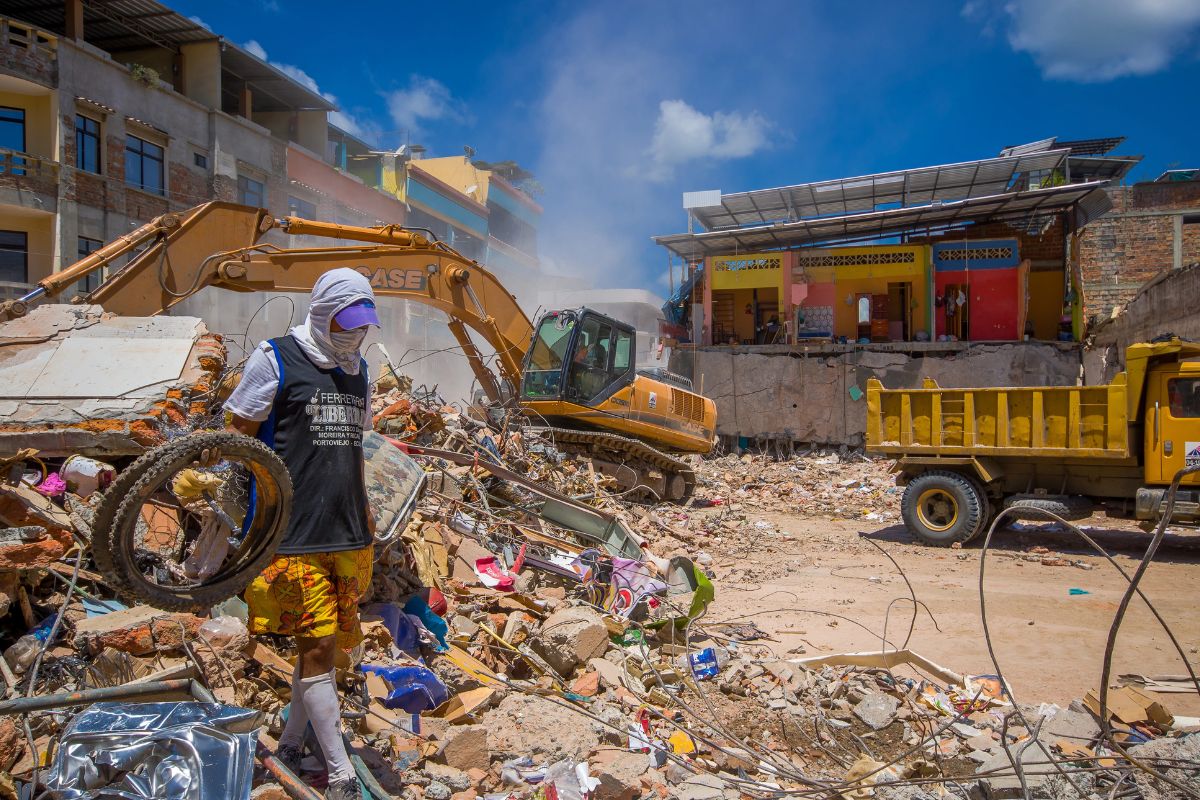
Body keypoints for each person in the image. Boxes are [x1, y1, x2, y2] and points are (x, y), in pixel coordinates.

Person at [222, 268, 379, 800]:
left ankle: (291, 744)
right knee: (315, 646)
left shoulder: (359, 373)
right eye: (346, 323)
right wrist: (240, 508)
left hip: (347, 529)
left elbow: (355, 450)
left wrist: (368, 512)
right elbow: (237, 432)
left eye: (362, 326)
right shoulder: (277, 358)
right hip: (294, 532)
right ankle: (339, 772)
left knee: (329, 649)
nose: (354, 335)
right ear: (321, 310)